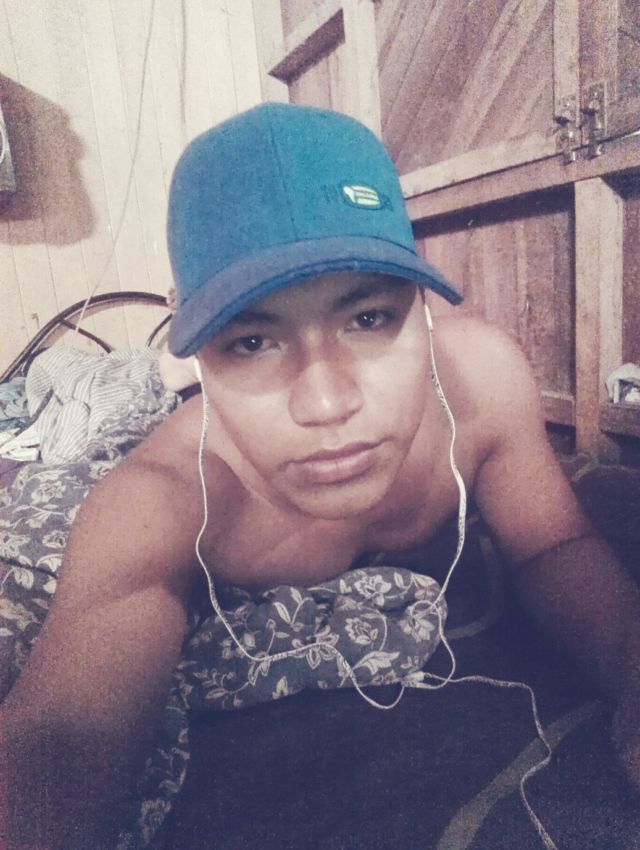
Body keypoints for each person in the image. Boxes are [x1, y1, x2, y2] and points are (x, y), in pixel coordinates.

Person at [2, 102, 639, 849]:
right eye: (251, 340)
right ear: (189, 343)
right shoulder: (163, 501)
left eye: (368, 318)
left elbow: (552, 545)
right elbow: (64, 737)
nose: (328, 404)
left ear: (421, 304)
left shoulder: (481, 381)